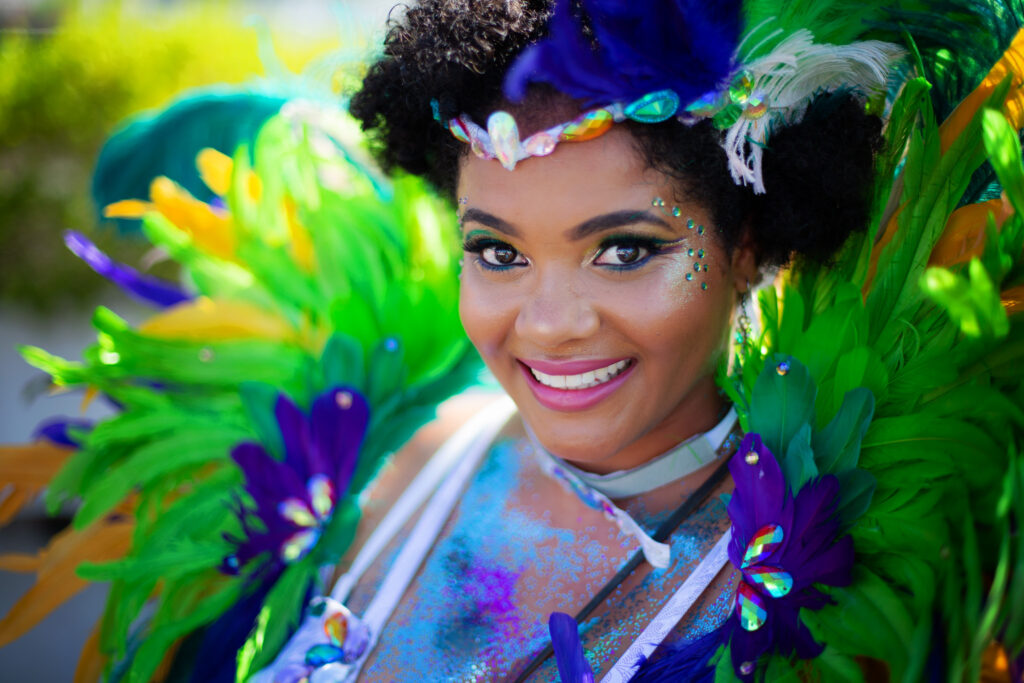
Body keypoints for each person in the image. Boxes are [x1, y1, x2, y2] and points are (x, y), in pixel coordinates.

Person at [1, 0, 1022, 681]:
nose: (545, 320)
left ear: (751, 241)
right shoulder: (378, 468)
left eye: (622, 251)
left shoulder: (868, 577)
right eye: (496, 252)